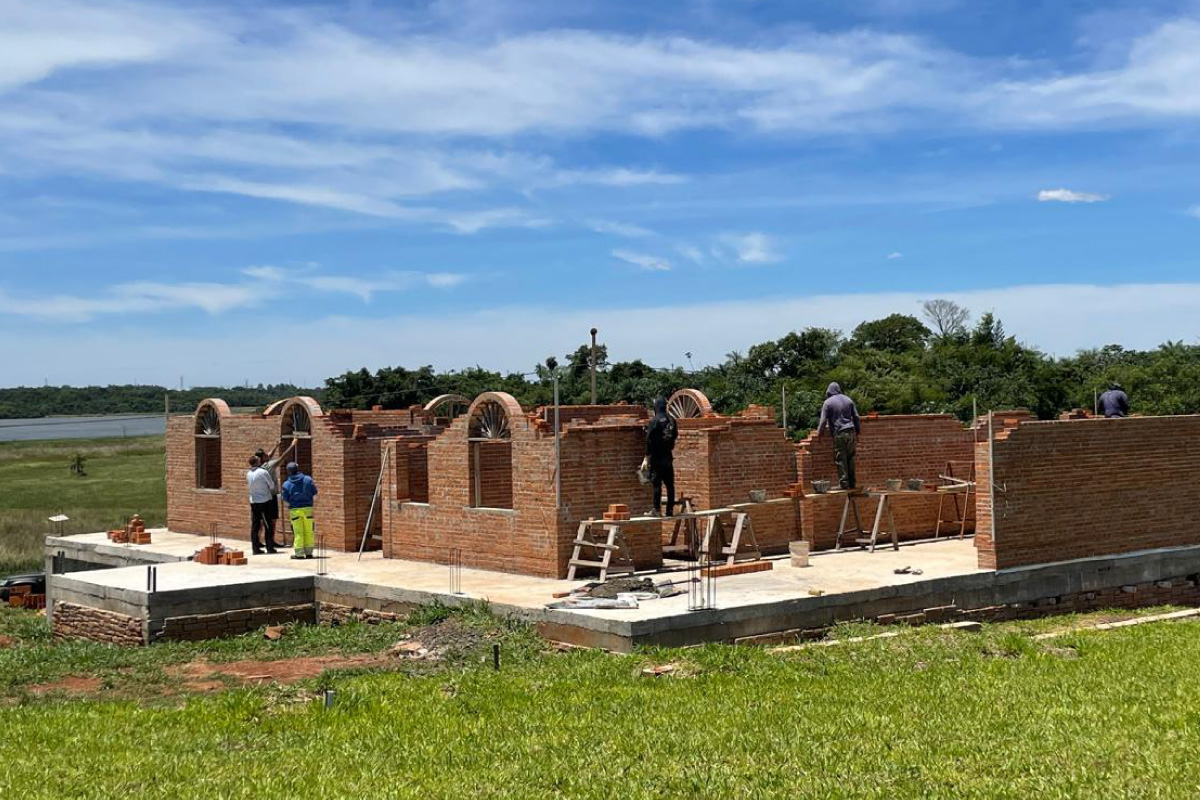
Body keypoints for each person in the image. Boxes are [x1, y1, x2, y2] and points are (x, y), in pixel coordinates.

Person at [817, 382, 861, 490]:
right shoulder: (848, 400)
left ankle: (844, 484)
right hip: (851, 432)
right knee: (850, 458)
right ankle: (852, 483)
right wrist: (858, 432)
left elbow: (823, 421)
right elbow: (856, 417)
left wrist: (819, 434)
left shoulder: (828, 403)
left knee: (841, 458)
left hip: (839, 433)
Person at [253, 443, 294, 552]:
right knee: (272, 520)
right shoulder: (270, 465)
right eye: (266, 455)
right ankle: (270, 541)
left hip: (261, 498)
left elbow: (269, 456)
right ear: (263, 458)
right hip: (271, 496)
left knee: (261, 521)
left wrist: (276, 446)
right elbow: (283, 457)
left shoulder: (259, 466)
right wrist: (292, 445)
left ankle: (258, 541)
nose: (268, 455)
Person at [645, 396, 678, 516]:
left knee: (656, 484)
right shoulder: (671, 420)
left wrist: (647, 456)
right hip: (668, 457)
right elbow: (674, 436)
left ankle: (656, 510)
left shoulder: (655, 421)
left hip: (657, 458)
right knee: (670, 485)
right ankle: (670, 510)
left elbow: (649, 439)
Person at [281, 462, 318, 559]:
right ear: (297, 469)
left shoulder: (287, 484)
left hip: (295, 510)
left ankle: (299, 553)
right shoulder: (308, 479)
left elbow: (285, 498)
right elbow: (314, 491)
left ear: (288, 471)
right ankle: (309, 553)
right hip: (308, 509)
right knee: (309, 531)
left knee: (298, 532)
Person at [246, 455, 279, 555]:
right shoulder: (263, 472)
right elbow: (271, 485)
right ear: (257, 462)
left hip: (254, 501)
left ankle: (255, 548)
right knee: (268, 524)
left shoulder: (249, 473)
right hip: (264, 501)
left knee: (255, 525)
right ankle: (270, 547)